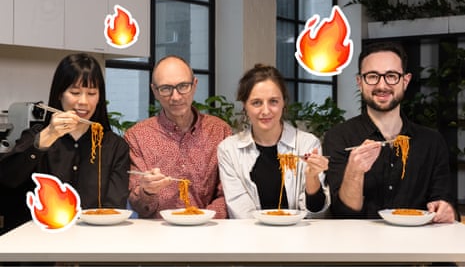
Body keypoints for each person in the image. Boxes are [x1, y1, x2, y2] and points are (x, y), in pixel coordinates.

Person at [323, 41, 457, 223]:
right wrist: (355, 171)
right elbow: (343, 215)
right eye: (372, 76)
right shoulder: (339, 137)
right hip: (358, 246)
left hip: (418, 245)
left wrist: (446, 210)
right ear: (360, 82)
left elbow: (444, 201)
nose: (382, 85)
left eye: (391, 76)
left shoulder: (431, 141)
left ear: (405, 81)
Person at [0, 53, 130, 234]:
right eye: (75, 92)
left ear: (100, 97)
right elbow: (7, 180)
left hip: (92, 243)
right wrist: (45, 139)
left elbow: (114, 206)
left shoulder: (115, 146)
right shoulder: (36, 136)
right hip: (37, 242)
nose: (83, 101)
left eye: (92, 93)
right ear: (59, 94)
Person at [124, 55, 232, 219]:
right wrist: (146, 191)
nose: (175, 97)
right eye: (166, 89)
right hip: (156, 234)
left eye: (183, 86)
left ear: (194, 85)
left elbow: (228, 193)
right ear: (155, 91)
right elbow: (140, 207)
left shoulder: (219, 131)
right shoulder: (137, 136)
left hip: (208, 231)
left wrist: (201, 218)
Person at [217, 64, 330, 219]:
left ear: (283, 102)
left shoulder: (308, 144)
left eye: (273, 101)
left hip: (298, 235)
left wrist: (312, 178)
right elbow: (239, 209)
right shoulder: (229, 149)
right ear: (245, 106)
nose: (265, 111)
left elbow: (315, 213)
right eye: (256, 102)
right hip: (250, 235)